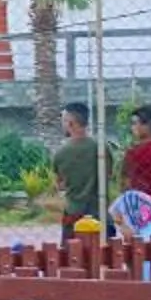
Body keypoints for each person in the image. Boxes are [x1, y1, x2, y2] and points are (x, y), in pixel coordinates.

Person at [50, 101, 102, 239]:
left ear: (71, 123)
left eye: (64, 120)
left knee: (71, 254)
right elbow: (108, 174)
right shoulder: (101, 148)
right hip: (99, 210)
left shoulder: (61, 153)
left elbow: (59, 184)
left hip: (74, 212)